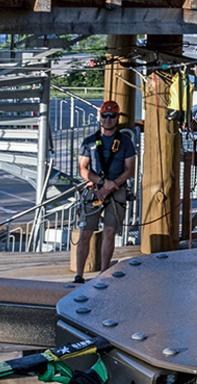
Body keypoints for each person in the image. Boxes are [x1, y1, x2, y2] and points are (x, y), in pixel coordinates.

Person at [72, 100, 135, 284]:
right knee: (85, 234)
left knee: (109, 231)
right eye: (105, 116)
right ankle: (79, 275)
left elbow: (130, 169)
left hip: (116, 190)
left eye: (112, 116)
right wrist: (102, 183)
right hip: (95, 189)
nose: (108, 120)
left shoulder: (125, 143)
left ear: (117, 118)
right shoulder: (89, 141)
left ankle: (104, 273)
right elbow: (83, 170)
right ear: (100, 117)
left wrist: (111, 185)